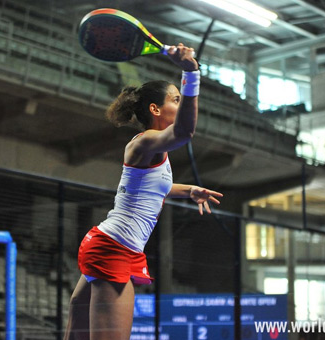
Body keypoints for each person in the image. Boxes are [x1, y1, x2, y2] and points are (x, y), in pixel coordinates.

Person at [63, 43, 223, 340]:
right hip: (115, 248)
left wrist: (188, 190)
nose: (181, 102)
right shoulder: (145, 142)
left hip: (108, 243)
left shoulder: (152, 148)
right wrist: (191, 72)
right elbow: (185, 132)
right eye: (176, 99)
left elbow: (151, 190)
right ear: (156, 109)